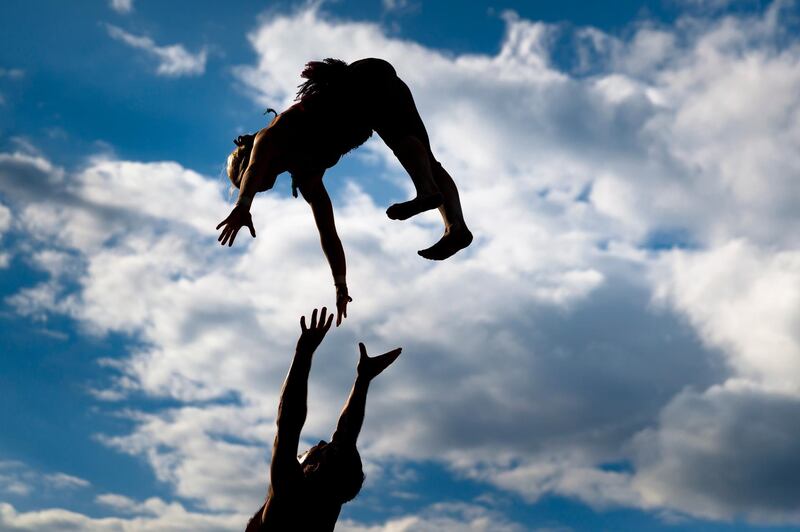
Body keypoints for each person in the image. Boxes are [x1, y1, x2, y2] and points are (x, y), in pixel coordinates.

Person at [217, 58, 473, 326]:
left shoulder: (271, 137)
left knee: (408, 147)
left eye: (246, 181)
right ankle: (455, 227)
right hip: (378, 92)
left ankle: (427, 193)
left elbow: (256, 167)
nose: (256, 187)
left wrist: (242, 206)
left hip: (362, 80)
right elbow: (328, 233)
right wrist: (340, 284)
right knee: (424, 158)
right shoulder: (307, 177)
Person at [245, 307, 401, 532]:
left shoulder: (290, 495)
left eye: (322, 449)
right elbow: (346, 434)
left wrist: (304, 351)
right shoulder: (329, 503)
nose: (318, 443)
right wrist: (363, 380)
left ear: (315, 467)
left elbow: (289, 420)